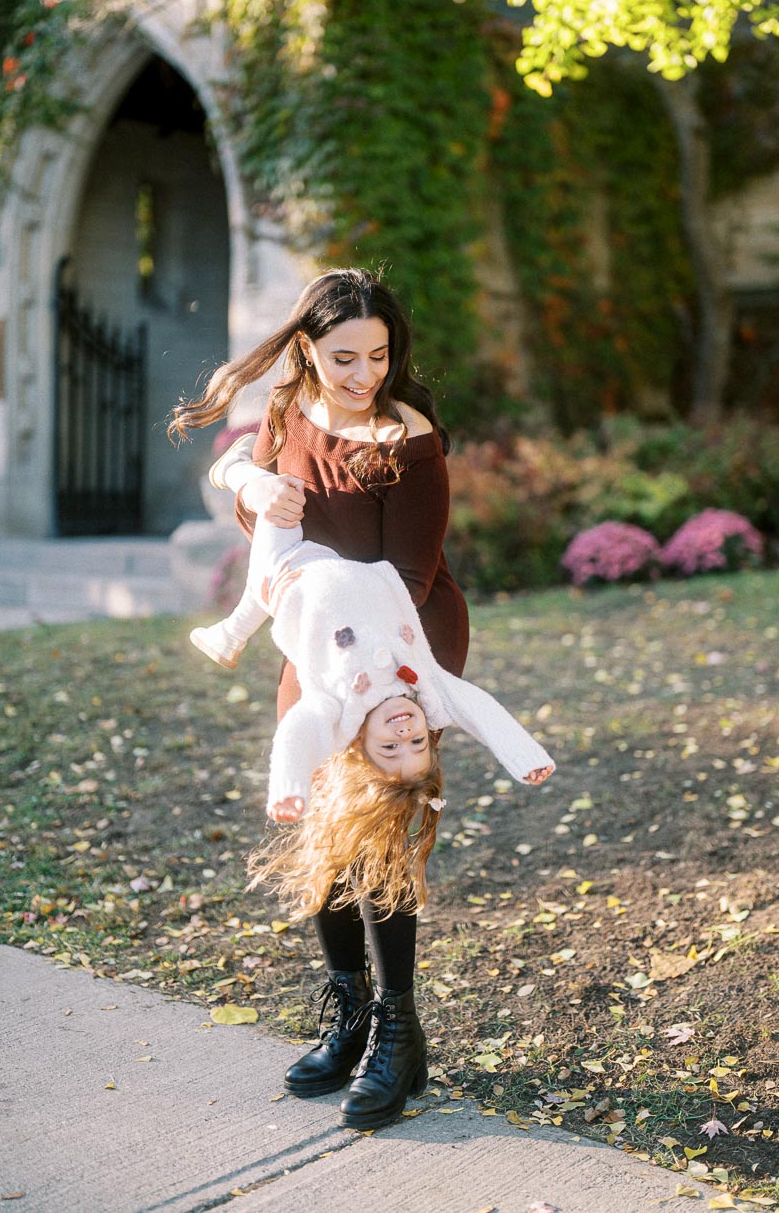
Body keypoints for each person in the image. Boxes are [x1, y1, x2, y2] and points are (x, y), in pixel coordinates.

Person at [168, 268, 554, 1131]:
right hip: (317, 636)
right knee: (320, 826)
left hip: (402, 645)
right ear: (306, 349)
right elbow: (250, 490)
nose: (363, 374)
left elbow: (410, 579)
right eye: (344, 357)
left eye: (378, 356)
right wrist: (249, 486)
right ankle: (347, 1015)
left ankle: (398, 1033)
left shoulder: (407, 439)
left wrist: (357, 668)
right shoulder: (286, 413)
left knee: (377, 830)